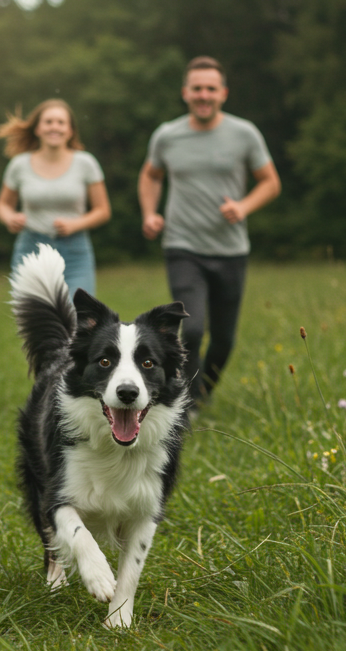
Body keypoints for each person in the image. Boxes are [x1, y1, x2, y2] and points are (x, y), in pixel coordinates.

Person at [139, 56, 281, 408]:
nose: (204, 95)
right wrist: (150, 212)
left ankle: (202, 395)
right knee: (194, 328)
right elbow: (150, 175)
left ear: (224, 93)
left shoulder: (244, 133)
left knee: (224, 340)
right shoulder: (167, 135)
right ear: (185, 93)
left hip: (231, 249)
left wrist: (243, 207)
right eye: (197, 88)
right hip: (182, 246)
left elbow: (271, 182)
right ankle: (184, 403)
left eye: (211, 89)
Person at [0, 99, 110, 296]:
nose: (54, 127)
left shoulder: (86, 163)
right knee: (37, 321)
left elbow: (103, 211)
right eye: (48, 122)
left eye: (60, 122)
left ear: (71, 130)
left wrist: (75, 224)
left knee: (78, 319)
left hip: (75, 251)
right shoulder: (19, 165)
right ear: (37, 129)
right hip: (31, 249)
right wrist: (10, 218)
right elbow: (3, 205)